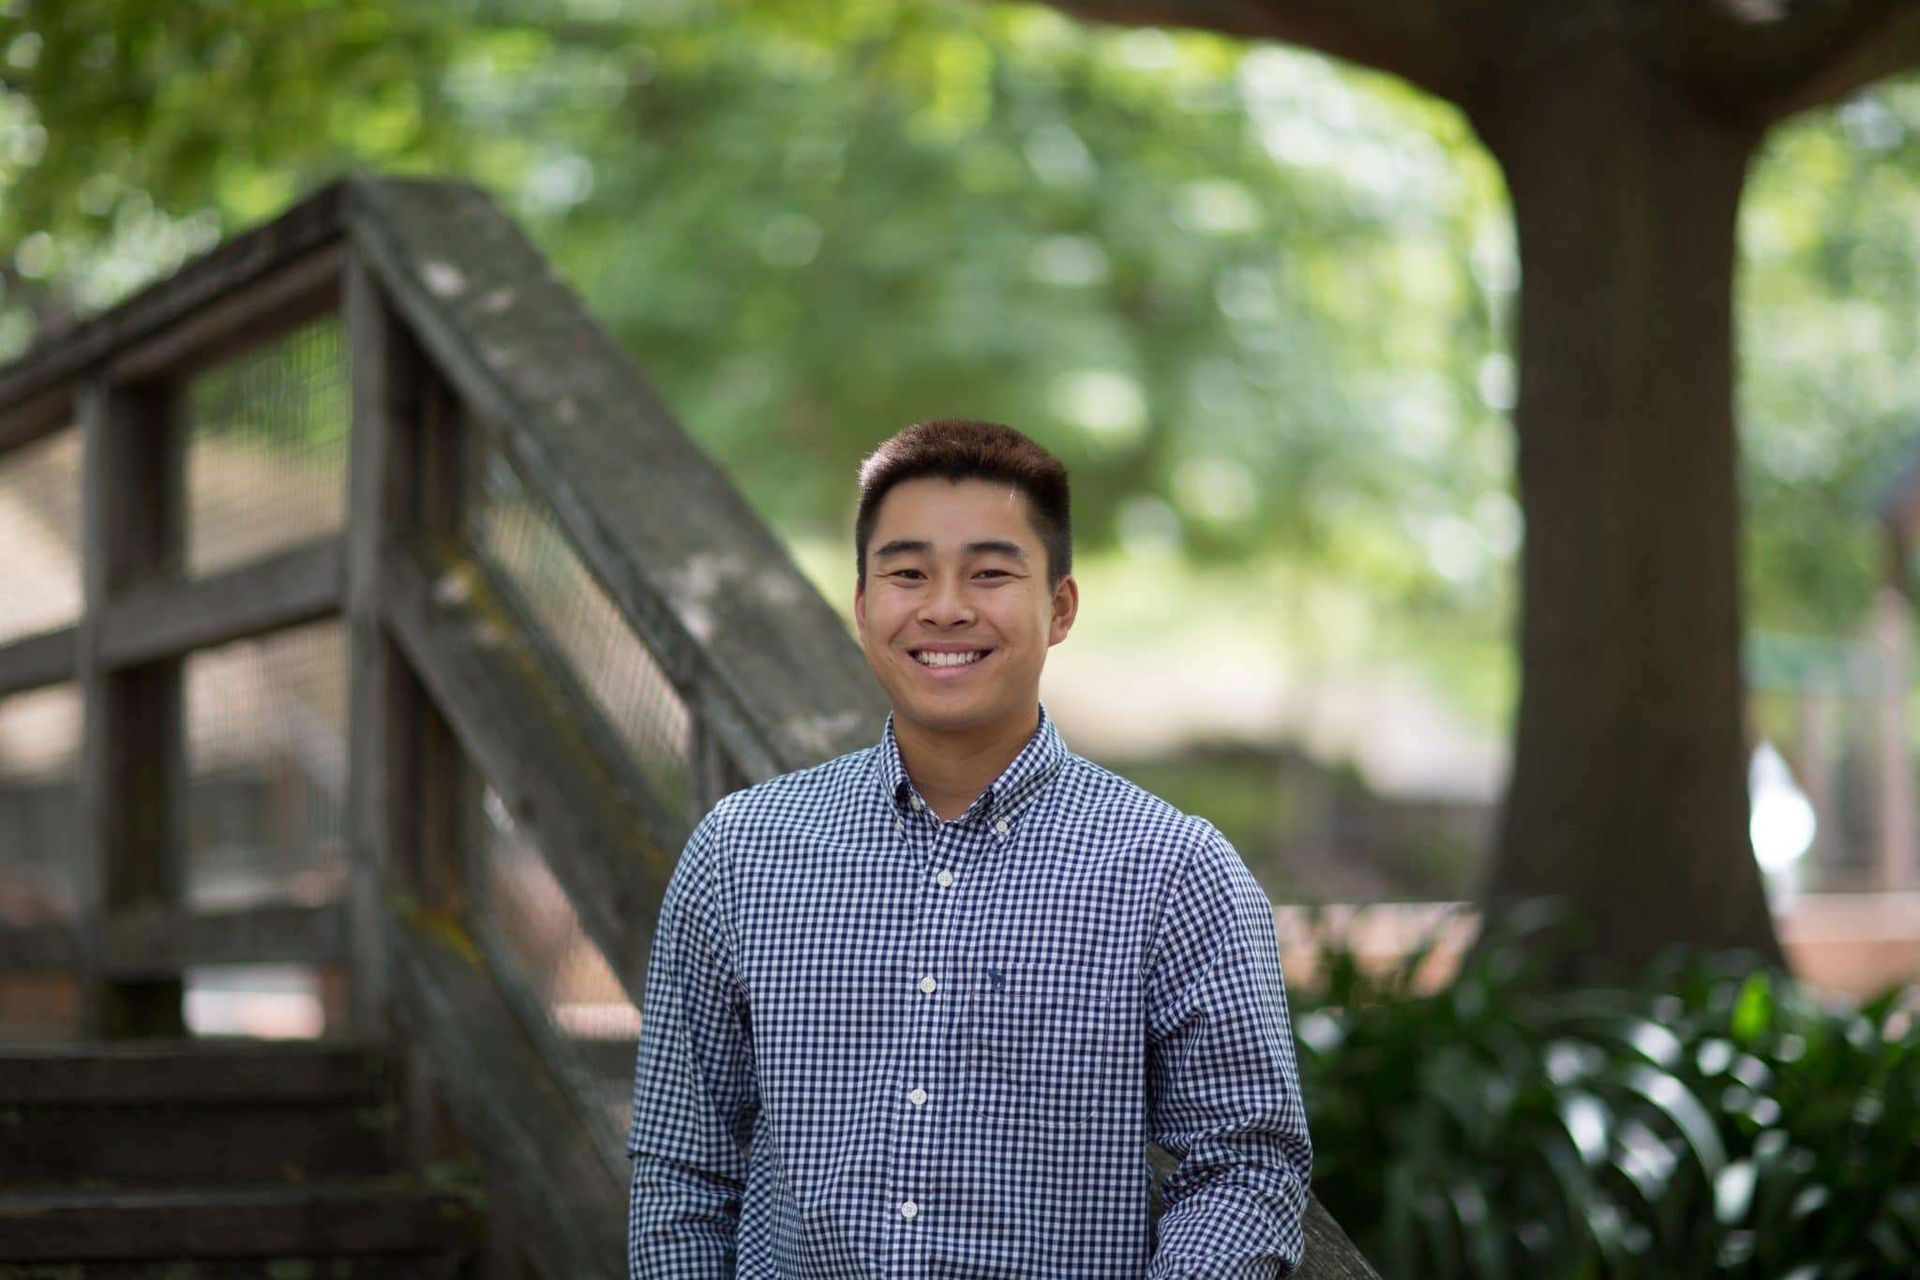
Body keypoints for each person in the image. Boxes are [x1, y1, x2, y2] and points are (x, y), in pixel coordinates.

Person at [626, 418, 1312, 1277]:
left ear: (1059, 607)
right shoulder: (743, 852)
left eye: (990, 573)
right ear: (864, 604)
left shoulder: (1174, 871)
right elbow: (684, 1165)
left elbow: (1245, 1165)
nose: (945, 607)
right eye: (908, 573)